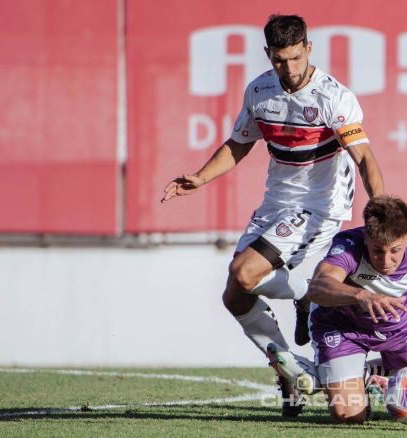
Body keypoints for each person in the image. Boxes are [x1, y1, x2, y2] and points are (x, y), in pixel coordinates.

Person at [160, 14, 384, 416]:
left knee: (245, 273)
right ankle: (291, 370)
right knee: (234, 293)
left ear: (309, 49)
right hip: (275, 204)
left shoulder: (333, 96)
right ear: (269, 55)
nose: (290, 68)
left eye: (296, 58)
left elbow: (364, 155)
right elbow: (238, 144)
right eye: (281, 60)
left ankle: (308, 294)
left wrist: (380, 208)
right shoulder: (260, 91)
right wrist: (199, 177)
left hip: (319, 207)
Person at [273, 195, 407, 423]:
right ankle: (327, 374)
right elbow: (317, 287)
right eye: (377, 251)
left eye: (395, 250)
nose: (386, 261)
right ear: (365, 237)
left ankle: (341, 376)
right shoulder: (349, 246)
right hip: (343, 328)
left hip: (400, 327)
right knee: (349, 416)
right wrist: (361, 296)